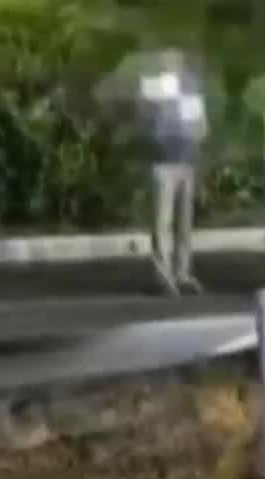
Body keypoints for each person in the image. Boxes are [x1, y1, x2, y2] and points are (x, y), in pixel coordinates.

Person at [100, 50, 208, 296]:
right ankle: (163, 276)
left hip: (185, 161)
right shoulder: (153, 89)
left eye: (176, 60)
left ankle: (182, 273)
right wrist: (159, 105)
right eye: (167, 60)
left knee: (184, 223)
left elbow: (200, 125)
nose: (171, 64)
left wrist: (197, 139)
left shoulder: (189, 87)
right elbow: (144, 121)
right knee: (162, 221)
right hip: (161, 163)